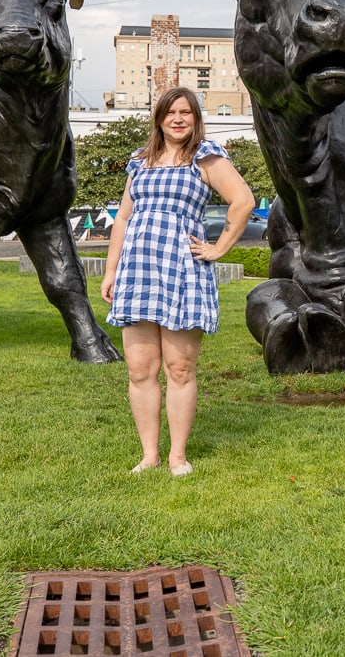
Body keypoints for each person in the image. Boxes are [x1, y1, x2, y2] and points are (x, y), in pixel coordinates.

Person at [101, 86, 254, 477]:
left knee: (180, 368)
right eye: (171, 112)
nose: (179, 119)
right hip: (137, 272)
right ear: (160, 118)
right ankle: (150, 455)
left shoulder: (206, 157)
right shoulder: (140, 160)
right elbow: (122, 218)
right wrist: (111, 270)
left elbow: (243, 201)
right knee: (140, 370)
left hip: (182, 273)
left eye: (186, 112)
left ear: (195, 117)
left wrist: (219, 248)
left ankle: (177, 457)